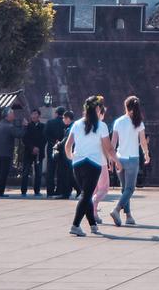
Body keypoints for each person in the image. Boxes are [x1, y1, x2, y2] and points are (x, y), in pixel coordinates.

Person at [64, 95, 116, 236]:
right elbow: (109, 148)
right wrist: (117, 161)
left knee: (85, 195)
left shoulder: (76, 124)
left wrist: (71, 157)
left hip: (78, 164)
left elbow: (68, 145)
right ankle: (75, 225)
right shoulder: (101, 126)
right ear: (98, 109)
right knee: (86, 195)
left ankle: (93, 224)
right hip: (93, 164)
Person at [109, 95, 149, 226]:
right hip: (133, 158)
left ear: (126, 107)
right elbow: (143, 141)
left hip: (120, 157)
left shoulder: (119, 121)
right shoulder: (138, 122)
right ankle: (116, 209)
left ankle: (128, 216)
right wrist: (146, 154)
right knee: (130, 189)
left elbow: (113, 142)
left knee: (124, 188)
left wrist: (111, 157)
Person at [0, 108, 18, 197]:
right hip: (5, 154)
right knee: (3, 174)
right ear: (8, 115)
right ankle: (0, 192)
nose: (14, 115)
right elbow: (19, 134)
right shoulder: (9, 126)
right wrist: (25, 126)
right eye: (12, 114)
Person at [45, 108, 71, 199]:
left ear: (56, 113)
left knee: (50, 170)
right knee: (61, 171)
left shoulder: (50, 122)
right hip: (62, 149)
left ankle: (50, 191)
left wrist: (53, 142)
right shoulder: (66, 123)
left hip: (52, 148)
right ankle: (59, 190)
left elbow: (45, 135)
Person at [20, 109, 46, 197]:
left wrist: (38, 148)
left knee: (38, 172)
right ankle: (23, 190)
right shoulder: (27, 126)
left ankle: (37, 191)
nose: (34, 116)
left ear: (39, 116)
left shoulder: (43, 126)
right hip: (28, 152)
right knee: (25, 172)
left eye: (35, 114)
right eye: (32, 114)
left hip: (39, 152)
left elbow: (44, 139)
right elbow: (24, 139)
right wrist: (32, 148)